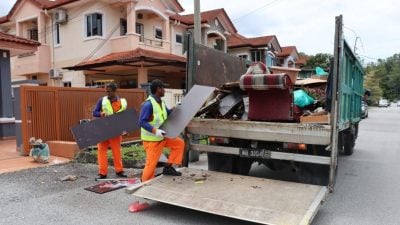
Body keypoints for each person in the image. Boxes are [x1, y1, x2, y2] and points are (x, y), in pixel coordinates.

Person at [139, 79, 184, 182]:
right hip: (152, 140)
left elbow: (167, 113)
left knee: (179, 144)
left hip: (163, 136)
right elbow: (142, 122)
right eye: (163, 88)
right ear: (158, 89)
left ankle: (168, 168)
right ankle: (145, 184)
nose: (164, 90)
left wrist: (175, 108)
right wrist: (155, 131)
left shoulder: (161, 102)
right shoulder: (148, 105)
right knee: (151, 165)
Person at [93, 83, 127, 180]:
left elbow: (124, 117)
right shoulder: (102, 100)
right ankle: (102, 173)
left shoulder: (122, 102)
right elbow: (94, 112)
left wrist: (125, 129)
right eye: (106, 91)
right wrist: (101, 113)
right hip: (103, 130)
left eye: (109, 91)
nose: (107, 93)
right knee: (101, 151)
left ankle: (119, 170)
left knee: (116, 151)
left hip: (115, 130)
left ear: (115, 91)